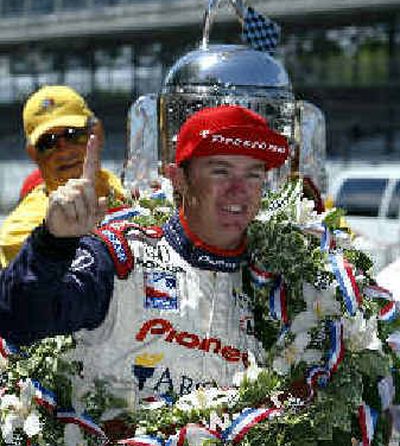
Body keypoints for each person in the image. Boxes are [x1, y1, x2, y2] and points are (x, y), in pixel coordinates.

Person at [0, 105, 289, 403]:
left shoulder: (285, 283)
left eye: (253, 175)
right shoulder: (120, 257)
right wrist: (53, 243)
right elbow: (20, 321)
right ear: (178, 178)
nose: (238, 190)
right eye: (221, 171)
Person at [0, 85, 128, 267]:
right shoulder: (20, 231)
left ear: (97, 133)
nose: (64, 151)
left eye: (73, 135)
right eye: (48, 143)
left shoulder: (130, 188)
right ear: (33, 154)